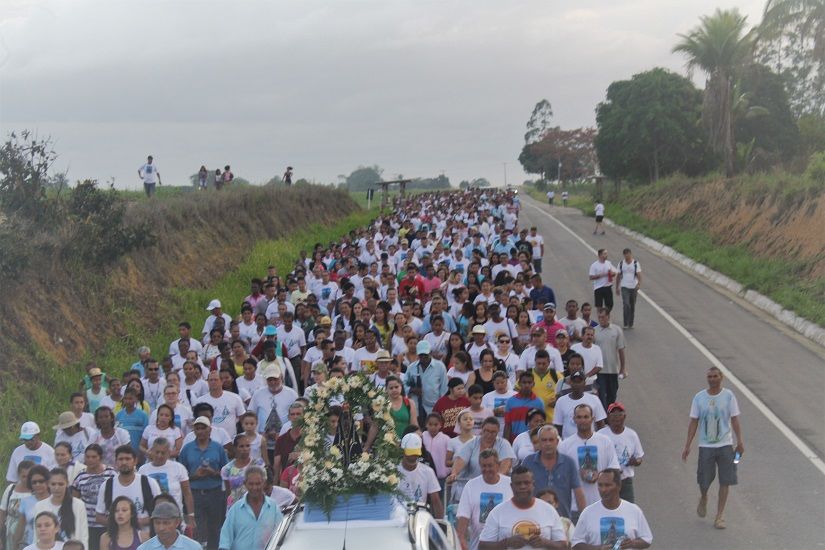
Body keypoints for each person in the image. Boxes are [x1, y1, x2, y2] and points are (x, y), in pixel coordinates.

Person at [681, 366, 744, 530]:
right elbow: (694, 421)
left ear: (721, 377)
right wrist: (687, 444)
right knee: (704, 479)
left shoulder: (729, 396)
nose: (712, 379)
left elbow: (735, 419)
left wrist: (740, 441)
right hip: (706, 445)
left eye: (715, 376)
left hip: (725, 445)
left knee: (726, 479)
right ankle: (703, 496)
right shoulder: (699, 398)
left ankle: (720, 515)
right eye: (709, 376)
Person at [477, 466, 567, 550]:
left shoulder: (549, 510)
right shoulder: (497, 512)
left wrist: (545, 543)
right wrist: (506, 543)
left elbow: (563, 546)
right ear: (512, 487)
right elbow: (482, 546)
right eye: (518, 483)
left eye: (526, 483)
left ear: (533, 484)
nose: (522, 486)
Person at [558, 404, 619, 517]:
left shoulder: (605, 441)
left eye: (586, 417)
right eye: (579, 417)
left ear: (592, 419)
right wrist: (577, 474)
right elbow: (560, 474)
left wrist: (599, 475)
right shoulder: (565, 445)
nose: (583, 420)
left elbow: (614, 469)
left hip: (601, 503)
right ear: (574, 419)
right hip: (575, 506)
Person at [177, 417, 228, 550]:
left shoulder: (217, 448)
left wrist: (213, 472)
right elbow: (181, 474)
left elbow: (227, 472)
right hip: (195, 494)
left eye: (203, 428)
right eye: (197, 428)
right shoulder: (187, 449)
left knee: (215, 527)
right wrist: (195, 476)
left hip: (215, 493)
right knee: (196, 527)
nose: (200, 431)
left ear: (210, 429)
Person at [571, 469, 652, 549]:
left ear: (619, 486)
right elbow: (575, 543)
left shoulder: (634, 511)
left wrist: (632, 543)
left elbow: (647, 539)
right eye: (600, 485)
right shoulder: (587, 513)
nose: (603, 489)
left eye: (608, 485)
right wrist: (597, 548)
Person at [521, 426, 584, 521]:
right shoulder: (528, 462)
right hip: (534, 520)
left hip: (562, 520)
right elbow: (521, 490)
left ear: (557, 442)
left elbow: (578, 492)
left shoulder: (568, 463)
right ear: (539, 442)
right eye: (544, 440)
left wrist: (583, 519)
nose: (548, 444)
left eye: (551, 440)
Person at [456, 449, 513, 550]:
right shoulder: (471, 486)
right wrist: (462, 541)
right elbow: (462, 523)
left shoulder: (511, 484)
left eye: (490, 465)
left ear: (498, 465)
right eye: (483, 466)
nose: (487, 469)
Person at [95, 446, 161, 529]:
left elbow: (160, 511)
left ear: (135, 461)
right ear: (116, 462)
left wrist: (139, 522)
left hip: (146, 537)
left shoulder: (149, 483)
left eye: (127, 459)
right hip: (116, 538)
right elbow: (99, 517)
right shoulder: (107, 485)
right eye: (121, 459)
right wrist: (118, 524)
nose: (124, 462)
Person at [218, 466, 283, 550]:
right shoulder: (235, 509)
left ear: (263, 482)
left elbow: (280, 534)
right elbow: (225, 539)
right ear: (245, 483)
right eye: (251, 484)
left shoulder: (273, 507)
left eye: (258, 483)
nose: (254, 487)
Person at [138, 438, 194, 528]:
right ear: (151, 451)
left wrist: (191, 515)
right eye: (157, 452)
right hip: (150, 519)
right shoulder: (142, 470)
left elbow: (187, 493)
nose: (160, 455)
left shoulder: (179, 468)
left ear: (169, 453)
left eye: (163, 453)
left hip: (174, 517)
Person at [597, 402, 644, 503]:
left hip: (625, 482)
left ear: (624, 416)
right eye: (613, 415)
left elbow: (639, 457)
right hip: (606, 482)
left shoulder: (632, 435)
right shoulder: (600, 435)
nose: (616, 417)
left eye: (619, 414)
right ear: (608, 417)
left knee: (629, 511)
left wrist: (635, 461)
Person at [72, 444, 116, 550]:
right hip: (88, 525)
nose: (90, 460)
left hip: (107, 524)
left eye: (93, 457)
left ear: (100, 458)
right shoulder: (80, 476)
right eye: (87, 457)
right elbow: (74, 501)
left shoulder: (111, 474)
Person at [33, 468, 88, 548]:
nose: (56, 488)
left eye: (60, 484)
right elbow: (36, 535)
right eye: (53, 484)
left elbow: (83, 536)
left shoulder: (78, 505)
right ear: (48, 484)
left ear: (67, 484)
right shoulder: (39, 506)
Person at [397, 434, 443, 519]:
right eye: (410, 454)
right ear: (402, 450)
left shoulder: (428, 472)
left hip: (420, 518)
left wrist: (440, 524)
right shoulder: (393, 471)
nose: (413, 457)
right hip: (398, 518)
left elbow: (436, 501)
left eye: (415, 454)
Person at [403, 340, 448, 422]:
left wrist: (441, 407)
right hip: (416, 407)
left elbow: (444, 389)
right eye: (421, 355)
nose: (423, 358)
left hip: (433, 407)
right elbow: (403, 384)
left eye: (425, 355)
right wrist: (411, 389)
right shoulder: (411, 367)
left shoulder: (440, 366)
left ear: (430, 353)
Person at [593, 308, 626, 410]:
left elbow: (621, 350)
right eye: (599, 317)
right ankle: (604, 419)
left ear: (608, 316)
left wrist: (623, 368)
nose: (601, 319)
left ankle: (610, 414)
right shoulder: (595, 331)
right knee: (602, 395)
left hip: (612, 370)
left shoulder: (616, 330)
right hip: (600, 371)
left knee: (612, 395)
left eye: (603, 317)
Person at [136, 501, 201, 550]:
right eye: (157, 523)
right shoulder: (144, 548)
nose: (161, 528)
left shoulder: (193, 547)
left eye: (166, 523)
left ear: (177, 522)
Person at [1, 460, 34, 550]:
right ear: (19, 475)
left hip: (29, 536)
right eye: (24, 476)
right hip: (9, 535)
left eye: (29, 476)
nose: (27, 479)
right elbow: (2, 514)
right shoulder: (10, 489)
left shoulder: (36, 493)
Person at [503, 372, 544, 442]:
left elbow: (541, 425)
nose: (527, 385)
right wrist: (506, 443)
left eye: (529, 382)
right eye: (524, 382)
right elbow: (507, 425)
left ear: (533, 384)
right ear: (519, 384)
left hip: (533, 442)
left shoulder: (539, 402)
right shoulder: (510, 402)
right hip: (514, 441)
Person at [614, 248, 641, 330]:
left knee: (632, 305)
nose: (627, 256)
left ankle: (630, 323)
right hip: (624, 286)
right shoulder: (621, 264)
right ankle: (625, 323)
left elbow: (639, 274)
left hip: (633, 287)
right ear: (624, 255)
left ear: (630, 254)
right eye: (625, 254)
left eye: (628, 254)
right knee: (626, 304)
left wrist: (639, 283)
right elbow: (618, 276)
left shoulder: (635, 263)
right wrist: (617, 287)